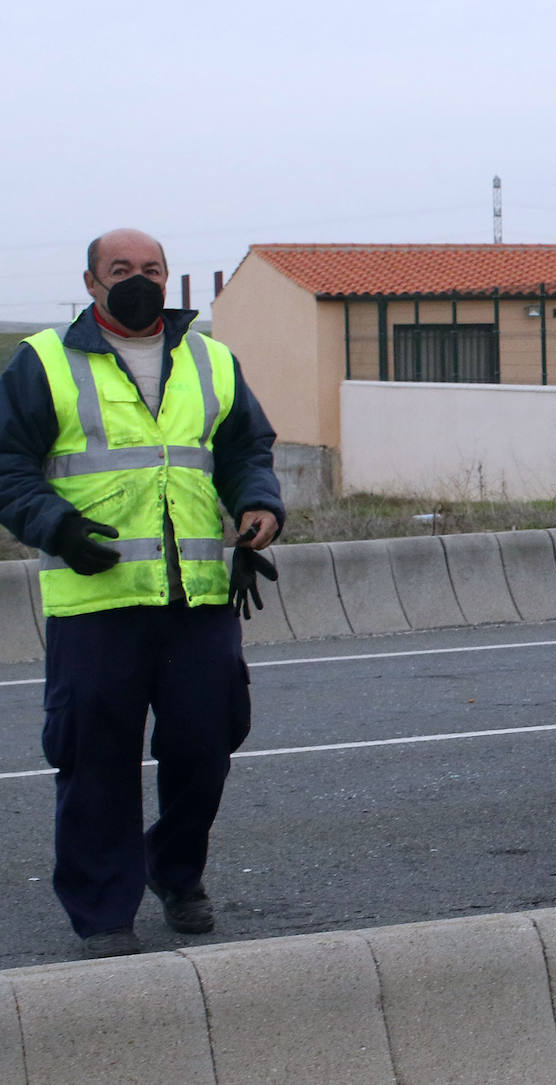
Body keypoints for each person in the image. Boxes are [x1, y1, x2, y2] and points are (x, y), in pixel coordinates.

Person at [0, 228, 285, 957]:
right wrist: (55, 526)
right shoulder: (43, 361)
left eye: (151, 268)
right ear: (91, 282)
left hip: (198, 598)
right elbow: (8, 464)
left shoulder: (210, 358)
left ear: (167, 278)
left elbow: (244, 448)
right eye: (120, 268)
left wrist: (258, 504)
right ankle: (103, 913)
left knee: (206, 745)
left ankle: (174, 870)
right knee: (95, 759)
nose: (138, 279)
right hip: (96, 600)